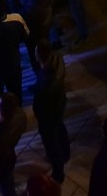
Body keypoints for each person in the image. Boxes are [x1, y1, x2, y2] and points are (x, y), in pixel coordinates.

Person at [31, 42, 70, 183]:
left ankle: (58, 173)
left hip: (49, 114)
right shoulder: (57, 58)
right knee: (60, 128)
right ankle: (66, 153)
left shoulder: (47, 82)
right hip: (60, 103)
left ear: (39, 57)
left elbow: (42, 103)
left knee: (51, 143)